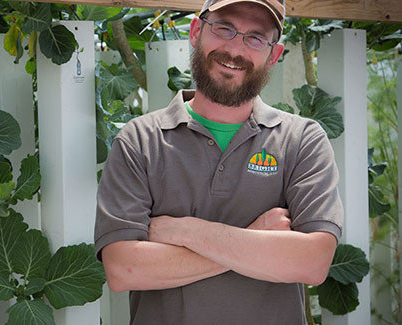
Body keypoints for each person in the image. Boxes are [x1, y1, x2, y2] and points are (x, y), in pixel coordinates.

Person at [93, 0, 343, 324]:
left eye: (255, 38)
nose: (235, 49)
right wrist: (257, 236)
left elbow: (312, 263)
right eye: (224, 28)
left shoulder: (301, 141)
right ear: (196, 31)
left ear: (274, 56)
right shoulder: (140, 141)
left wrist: (185, 231)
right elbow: (123, 268)